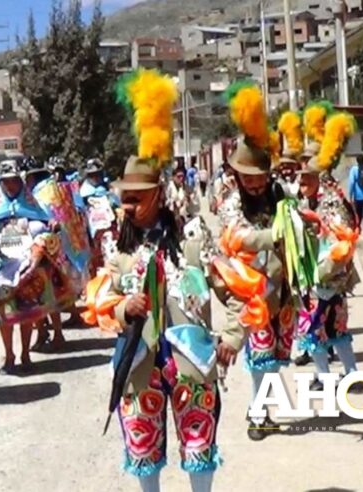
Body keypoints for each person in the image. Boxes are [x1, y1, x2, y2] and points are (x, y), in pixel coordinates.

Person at [85, 156, 233, 492]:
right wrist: (124, 307)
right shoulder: (117, 248)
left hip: (190, 361)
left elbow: (231, 288)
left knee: (199, 444)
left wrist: (234, 337)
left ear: (158, 194)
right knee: (142, 445)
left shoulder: (192, 236)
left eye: (137, 197)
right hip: (138, 364)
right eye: (125, 197)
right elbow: (100, 304)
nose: (128, 205)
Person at [210, 83, 296, 441]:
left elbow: (296, 219)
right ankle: (258, 415)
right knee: (260, 354)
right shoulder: (230, 201)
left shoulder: (279, 193)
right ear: (236, 177)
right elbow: (235, 238)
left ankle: (262, 410)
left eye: (261, 178)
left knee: (277, 355)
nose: (256, 185)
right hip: (252, 294)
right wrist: (272, 237)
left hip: (283, 291)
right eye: (249, 179)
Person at [0, 160, 74, 374]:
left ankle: (25, 355)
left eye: (14, 181)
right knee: (5, 314)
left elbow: (48, 224)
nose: (10, 186)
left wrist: (51, 227)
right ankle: (10, 356)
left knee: (27, 311)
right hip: (0, 266)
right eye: (6, 182)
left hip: (28, 265)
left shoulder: (33, 204)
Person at [297, 128, 361, 391]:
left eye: (306, 173)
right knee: (312, 332)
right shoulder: (304, 200)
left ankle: (352, 374)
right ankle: (323, 375)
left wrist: (318, 225)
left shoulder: (332, 200)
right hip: (308, 278)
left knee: (337, 329)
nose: (301, 179)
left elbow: (342, 241)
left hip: (330, 278)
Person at [26, 158, 88, 351]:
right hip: (62, 248)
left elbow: (48, 221)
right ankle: (46, 332)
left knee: (47, 293)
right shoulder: (58, 189)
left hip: (49, 250)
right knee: (51, 291)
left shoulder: (41, 194)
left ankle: (57, 334)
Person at [79, 158, 121, 277]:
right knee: (97, 259)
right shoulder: (83, 193)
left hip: (109, 230)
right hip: (93, 232)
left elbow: (116, 205)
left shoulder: (107, 190)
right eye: (92, 175)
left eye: (97, 174)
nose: (95, 178)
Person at [346, 155, 363, 234]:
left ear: (357, 161)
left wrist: (350, 194)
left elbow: (351, 182)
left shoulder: (354, 170)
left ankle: (358, 228)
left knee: (358, 213)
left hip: (357, 196)